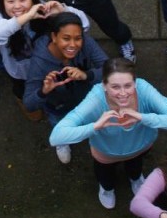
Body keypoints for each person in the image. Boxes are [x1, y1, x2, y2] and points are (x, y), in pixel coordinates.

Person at [49, 58, 167, 209]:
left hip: (140, 147)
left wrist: (142, 117)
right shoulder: (95, 98)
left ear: (135, 83)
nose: (123, 93)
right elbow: (56, 137)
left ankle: (135, 179)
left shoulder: (143, 89)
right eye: (115, 87)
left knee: (135, 167)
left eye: (128, 85)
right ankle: (107, 189)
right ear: (104, 85)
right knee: (105, 176)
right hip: (106, 154)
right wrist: (95, 126)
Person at [0, 0, 90, 121]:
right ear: (2, 2)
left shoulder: (43, 9)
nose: (17, 6)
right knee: (22, 90)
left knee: (54, 90)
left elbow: (84, 24)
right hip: (21, 73)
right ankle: (27, 105)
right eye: (10, 1)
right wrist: (27, 17)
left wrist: (63, 11)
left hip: (50, 66)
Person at [25, 12, 108, 163]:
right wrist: (44, 91)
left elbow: (110, 68)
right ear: (54, 37)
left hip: (87, 99)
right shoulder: (39, 63)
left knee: (91, 119)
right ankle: (62, 141)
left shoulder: (87, 43)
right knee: (60, 124)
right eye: (66, 38)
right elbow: (29, 104)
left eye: (78, 38)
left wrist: (86, 75)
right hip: (59, 107)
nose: (73, 45)